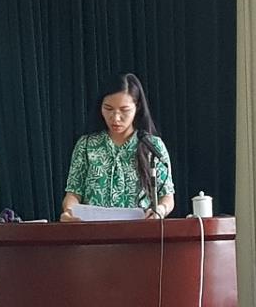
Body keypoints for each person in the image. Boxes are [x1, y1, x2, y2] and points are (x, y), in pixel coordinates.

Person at [60, 73, 175, 221]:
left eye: (124, 110)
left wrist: (160, 210)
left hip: (140, 230)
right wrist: (69, 212)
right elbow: (73, 193)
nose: (115, 118)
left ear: (137, 107)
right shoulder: (86, 145)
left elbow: (167, 196)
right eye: (108, 109)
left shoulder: (152, 146)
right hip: (94, 231)